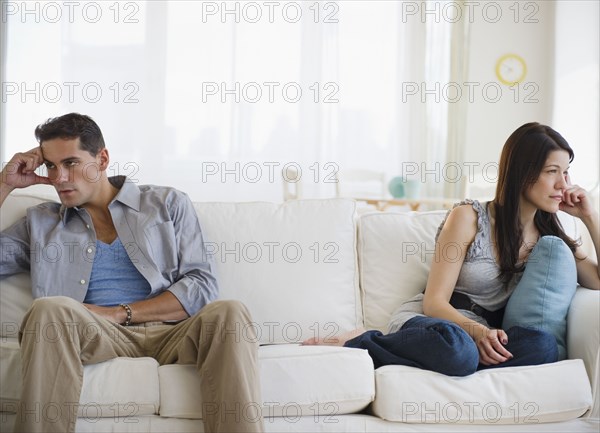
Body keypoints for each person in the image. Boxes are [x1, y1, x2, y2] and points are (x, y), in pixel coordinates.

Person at [0, 113, 264, 433]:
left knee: (230, 312)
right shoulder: (41, 223)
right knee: (49, 309)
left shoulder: (167, 203)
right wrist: (4, 184)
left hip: (173, 332)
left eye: (71, 163)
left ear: (103, 158)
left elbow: (201, 285)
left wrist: (116, 313)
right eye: (51, 166)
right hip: (93, 333)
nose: (60, 177)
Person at [304, 122, 600, 376]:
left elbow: (597, 282)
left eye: (567, 173)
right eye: (553, 171)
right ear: (523, 173)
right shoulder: (469, 217)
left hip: (484, 338)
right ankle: (365, 342)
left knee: (543, 346)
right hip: (439, 324)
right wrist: (476, 333)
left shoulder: (551, 238)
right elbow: (434, 302)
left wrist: (590, 216)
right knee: (458, 351)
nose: (564, 184)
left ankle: (461, 363)